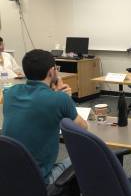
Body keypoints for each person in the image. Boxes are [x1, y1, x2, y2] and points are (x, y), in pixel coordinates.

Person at [2, 49, 88, 184]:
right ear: (52, 71)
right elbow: (83, 128)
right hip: (38, 183)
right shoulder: (60, 99)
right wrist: (66, 99)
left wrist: (55, 94)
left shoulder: (10, 93)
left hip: (7, 181)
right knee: (84, 154)